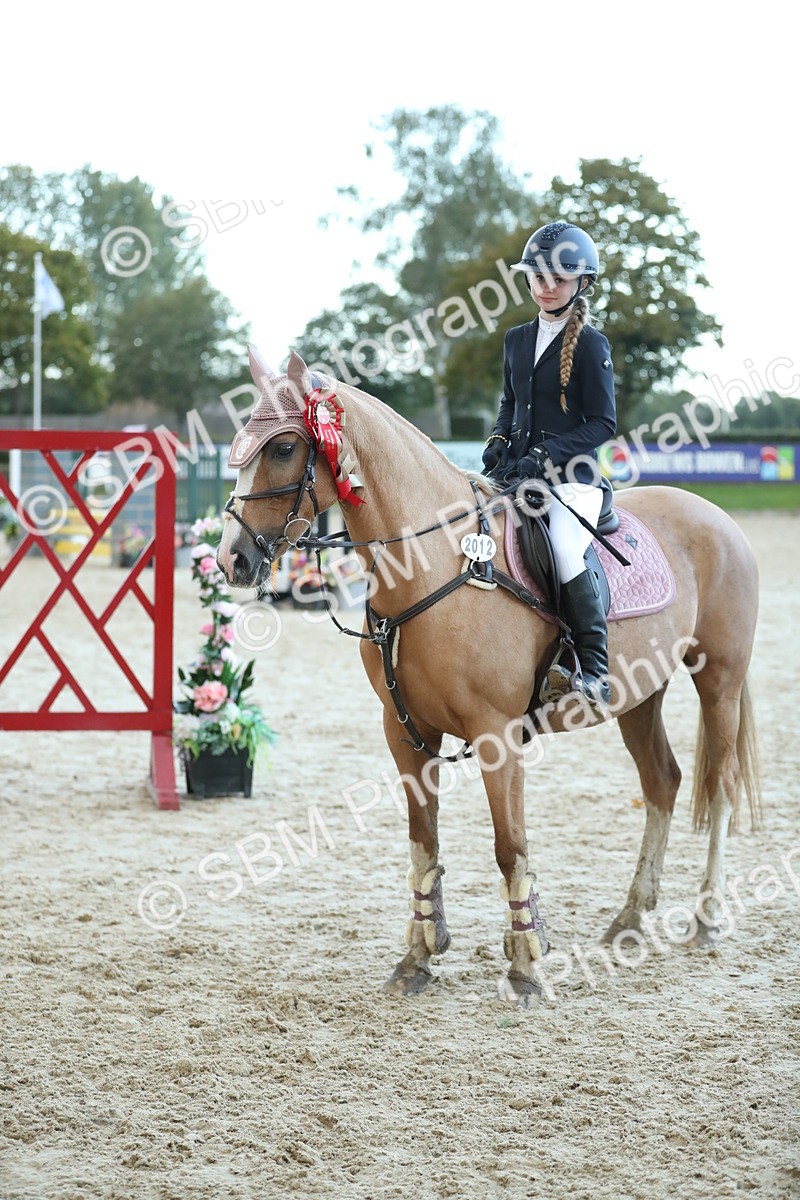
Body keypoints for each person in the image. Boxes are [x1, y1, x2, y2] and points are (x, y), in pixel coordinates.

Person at [482, 221, 616, 707]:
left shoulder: (592, 345)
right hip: (516, 474)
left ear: (581, 282)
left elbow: (603, 424)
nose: (546, 287)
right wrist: (499, 439)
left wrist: (547, 454)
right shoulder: (516, 339)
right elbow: (509, 403)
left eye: (558, 278)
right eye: (538, 277)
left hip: (571, 480)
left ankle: (595, 668)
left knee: (562, 546)